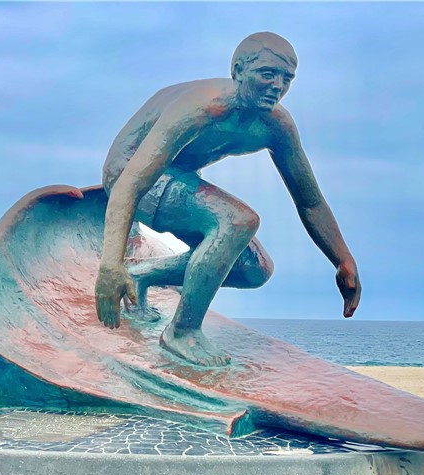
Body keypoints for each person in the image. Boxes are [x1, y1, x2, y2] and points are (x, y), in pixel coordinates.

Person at [94, 32, 361, 367]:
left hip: (177, 179)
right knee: (238, 220)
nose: (277, 86)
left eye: (286, 78)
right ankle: (182, 332)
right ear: (237, 71)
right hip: (128, 177)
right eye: (267, 74)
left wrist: (342, 260)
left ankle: (142, 274)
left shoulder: (277, 125)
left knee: (252, 269)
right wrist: (110, 265)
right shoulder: (203, 108)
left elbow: (311, 202)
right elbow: (131, 182)